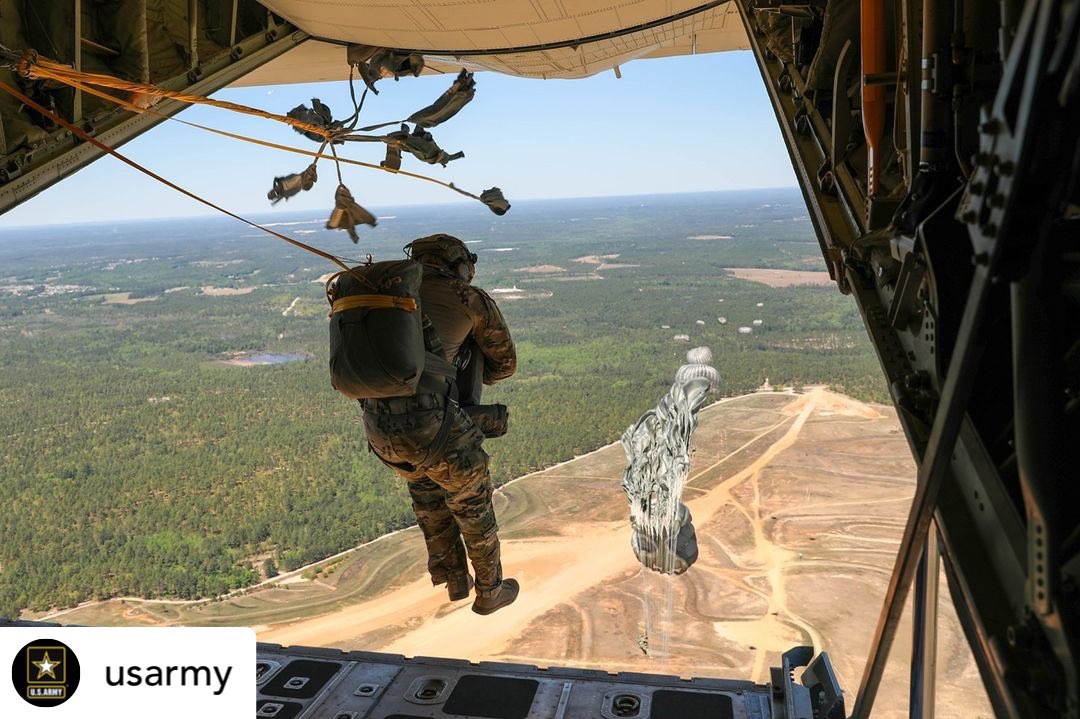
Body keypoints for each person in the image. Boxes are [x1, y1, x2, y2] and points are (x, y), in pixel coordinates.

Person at [361, 234, 519, 615]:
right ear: (459, 265)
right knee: (472, 503)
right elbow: (504, 362)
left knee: (428, 495)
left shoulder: (382, 293)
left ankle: (454, 580)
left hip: (380, 431)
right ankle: (489, 591)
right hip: (435, 426)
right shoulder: (467, 297)